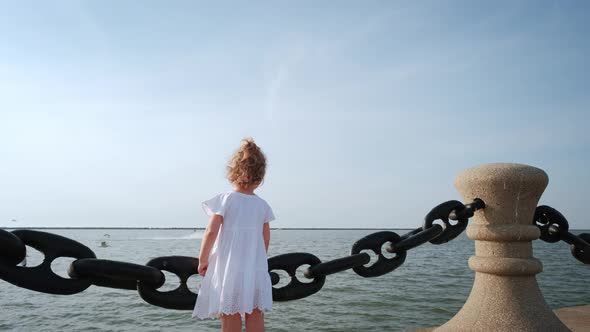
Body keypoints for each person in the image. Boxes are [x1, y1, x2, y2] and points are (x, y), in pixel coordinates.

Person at [192, 138, 275, 332]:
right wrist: (257, 261)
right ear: (260, 176)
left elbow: (211, 231)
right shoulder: (262, 206)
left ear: (233, 172)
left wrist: (203, 259)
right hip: (254, 268)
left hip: (229, 268)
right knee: (255, 313)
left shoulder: (226, 200)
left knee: (230, 314)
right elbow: (265, 239)